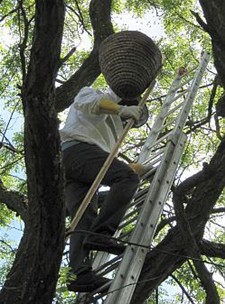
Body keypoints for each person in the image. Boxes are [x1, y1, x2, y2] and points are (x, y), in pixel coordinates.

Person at [60, 86, 150, 293]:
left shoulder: (114, 129)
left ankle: (79, 274)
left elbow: (108, 165)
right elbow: (89, 104)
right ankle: (101, 234)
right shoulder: (95, 94)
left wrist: (144, 169)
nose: (129, 121)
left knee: (83, 216)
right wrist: (120, 110)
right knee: (127, 179)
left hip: (79, 166)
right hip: (76, 150)